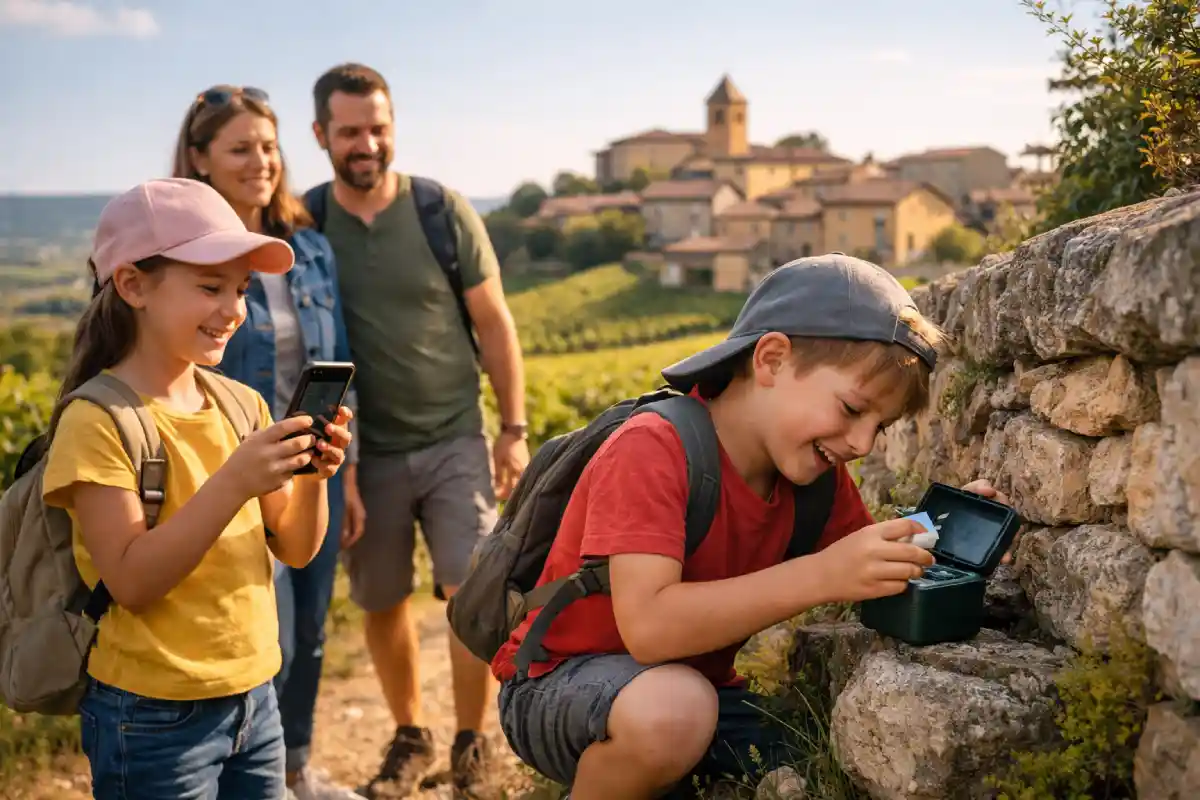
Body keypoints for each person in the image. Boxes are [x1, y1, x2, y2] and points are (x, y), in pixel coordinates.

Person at [488, 254, 1014, 799]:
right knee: (676, 713)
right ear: (772, 360)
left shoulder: (816, 482)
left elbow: (861, 565)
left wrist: (939, 535)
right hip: (559, 684)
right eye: (852, 409)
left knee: (819, 749)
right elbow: (650, 628)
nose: (861, 444)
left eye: (880, 428)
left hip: (695, 693)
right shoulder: (652, 448)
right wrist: (822, 575)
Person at [41, 177, 353, 799]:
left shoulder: (241, 404)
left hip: (256, 697)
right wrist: (233, 482)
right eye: (211, 288)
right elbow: (132, 582)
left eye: (241, 289)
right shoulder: (98, 420)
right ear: (133, 286)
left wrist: (316, 477)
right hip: (151, 716)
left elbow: (295, 548)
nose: (234, 310)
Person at [306, 62, 529, 797]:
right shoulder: (305, 222)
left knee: (470, 593)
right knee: (380, 600)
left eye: (378, 128)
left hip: (455, 436)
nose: (367, 144)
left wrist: (513, 428)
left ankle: (471, 742)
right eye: (350, 132)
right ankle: (410, 736)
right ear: (320, 135)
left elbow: (494, 323)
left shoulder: (441, 210)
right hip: (361, 452)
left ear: (393, 127)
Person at [169, 83, 367, 800]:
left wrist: (346, 475)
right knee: (262, 633)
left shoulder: (308, 249)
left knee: (309, 628)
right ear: (199, 159)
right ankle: (242, 777)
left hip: (310, 467)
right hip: (232, 474)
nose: (261, 161)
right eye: (241, 148)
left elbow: (339, 359)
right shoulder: (184, 259)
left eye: (269, 147)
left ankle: (293, 768)